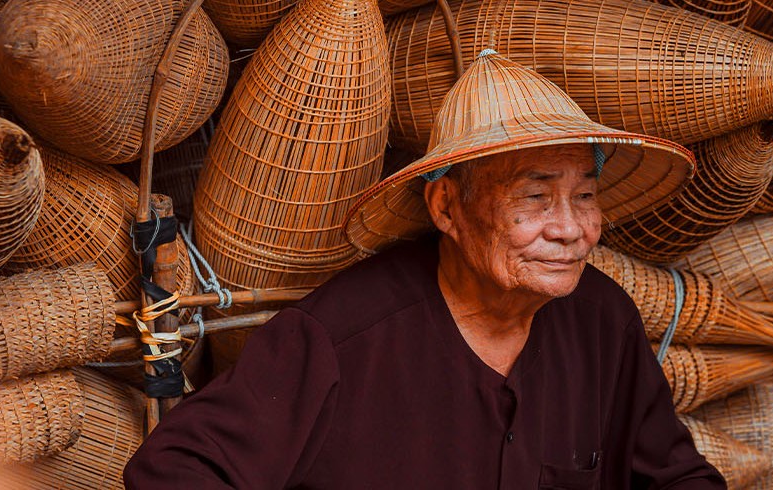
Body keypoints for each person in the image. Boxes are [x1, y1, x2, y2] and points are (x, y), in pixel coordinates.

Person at [124, 50, 724, 489]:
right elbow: (176, 472)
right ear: (447, 208)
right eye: (535, 198)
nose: (572, 229)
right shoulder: (340, 336)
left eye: (585, 197)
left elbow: (674, 476)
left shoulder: (601, 320)